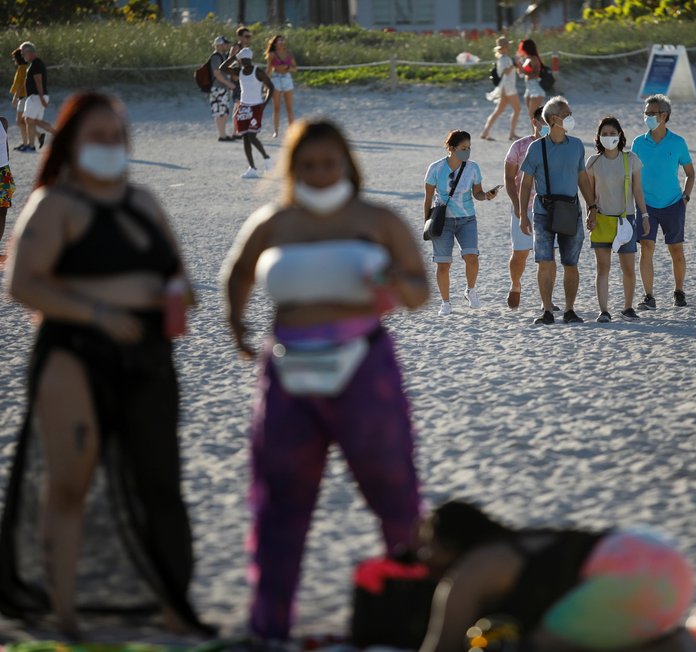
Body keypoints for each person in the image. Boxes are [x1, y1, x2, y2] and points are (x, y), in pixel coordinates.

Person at [0, 92, 210, 638]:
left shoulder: (144, 202)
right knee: (69, 487)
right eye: (97, 137)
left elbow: (183, 282)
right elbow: (23, 285)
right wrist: (99, 308)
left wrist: (172, 295)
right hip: (74, 352)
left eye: (117, 136)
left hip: (147, 356)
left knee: (160, 484)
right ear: (71, 143)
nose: (109, 146)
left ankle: (173, 610)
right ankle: (64, 617)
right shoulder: (54, 205)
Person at [222, 118, 429, 645]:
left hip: (363, 364)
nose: (318, 173)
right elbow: (237, 271)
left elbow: (419, 290)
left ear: (347, 165)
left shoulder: (377, 219)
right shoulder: (274, 221)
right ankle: (270, 626)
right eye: (307, 165)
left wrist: (391, 284)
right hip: (288, 366)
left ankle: (407, 621)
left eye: (328, 163)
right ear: (291, 169)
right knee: (280, 499)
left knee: (394, 491)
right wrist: (238, 326)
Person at [417, 501, 696, 652]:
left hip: (629, 581)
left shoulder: (469, 572)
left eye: (430, 544)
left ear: (451, 544)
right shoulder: (520, 540)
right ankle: (672, 641)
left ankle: (671, 645)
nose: (425, 555)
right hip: (666, 561)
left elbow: (442, 645)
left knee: (542, 644)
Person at [519, 96, 597, 325]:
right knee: (544, 261)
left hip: (571, 209)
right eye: (567, 115)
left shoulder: (576, 145)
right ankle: (547, 311)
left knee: (571, 263)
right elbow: (525, 183)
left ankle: (570, 310)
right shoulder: (536, 148)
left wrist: (592, 207)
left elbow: (582, 178)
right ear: (554, 119)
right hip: (543, 210)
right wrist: (524, 214)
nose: (571, 118)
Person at [423, 130, 499, 316]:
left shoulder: (473, 168)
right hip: (443, 221)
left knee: (472, 258)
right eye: (463, 148)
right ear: (451, 148)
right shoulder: (435, 168)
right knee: (443, 264)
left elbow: (477, 194)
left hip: (467, 219)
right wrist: (428, 223)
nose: (467, 151)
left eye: (469, 148)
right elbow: (427, 198)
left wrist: (487, 196)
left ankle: (470, 290)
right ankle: (446, 303)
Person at [631, 94, 695, 309]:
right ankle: (649, 296)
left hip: (673, 204)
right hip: (646, 204)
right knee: (646, 248)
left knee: (676, 250)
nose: (647, 117)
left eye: (652, 113)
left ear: (664, 115)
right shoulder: (638, 143)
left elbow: (690, 173)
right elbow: (632, 174)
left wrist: (685, 197)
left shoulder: (678, 142)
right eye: (645, 113)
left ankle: (679, 291)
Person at [585, 116, 648, 322]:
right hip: (602, 220)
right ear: (598, 137)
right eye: (604, 134)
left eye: (612, 133)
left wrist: (644, 215)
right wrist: (590, 213)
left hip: (626, 220)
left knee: (628, 268)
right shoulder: (593, 162)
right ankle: (604, 310)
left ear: (620, 135)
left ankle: (628, 307)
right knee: (603, 268)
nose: (608, 137)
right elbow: (590, 194)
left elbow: (638, 190)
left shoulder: (630, 159)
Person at [503, 106, 558, 312]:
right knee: (520, 254)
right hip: (523, 207)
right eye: (544, 122)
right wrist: (517, 206)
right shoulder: (519, 147)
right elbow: (509, 178)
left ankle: (547, 300)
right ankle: (516, 285)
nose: (548, 126)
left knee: (548, 256)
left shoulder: (557, 146)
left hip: (550, 208)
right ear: (535, 122)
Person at [219, 47, 274, 179]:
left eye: (243, 59)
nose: (243, 62)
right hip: (243, 107)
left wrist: (264, 105)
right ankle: (252, 168)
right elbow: (222, 68)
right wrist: (233, 57)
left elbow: (271, 87)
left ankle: (267, 158)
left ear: (247, 59)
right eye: (242, 60)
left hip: (255, 107)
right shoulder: (240, 71)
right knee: (245, 137)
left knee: (252, 135)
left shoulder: (258, 72)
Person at [480, 36, 521, 142]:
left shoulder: (505, 58)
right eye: (506, 45)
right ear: (503, 47)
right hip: (508, 87)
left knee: (498, 111)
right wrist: (514, 65)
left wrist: (515, 64)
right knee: (517, 109)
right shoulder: (503, 59)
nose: (508, 47)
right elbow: (505, 72)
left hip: (506, 87)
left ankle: (485, 132)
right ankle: (512, 134)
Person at [19, 42, 56, 152]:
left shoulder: (36, 64)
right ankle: (60, 135)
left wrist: (41, 98)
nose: (22, 55)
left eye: (23, 53)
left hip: (36, 97)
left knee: (29, 120)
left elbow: (38, 82)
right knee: (35, 121)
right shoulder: (35, 64)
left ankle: (30, 146)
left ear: (29, 52)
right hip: (37, 97)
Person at [264, 34, 298, 138]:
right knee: (277, 107)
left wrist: (287, 67)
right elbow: (269, 70)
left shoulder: (289, 54)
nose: (281, 42)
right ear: (275, 43)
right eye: (279, 40)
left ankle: (292, 131)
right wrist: (266, 83)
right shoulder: (272, 55)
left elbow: (295, 69)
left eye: (282, 40)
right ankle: (276, 131)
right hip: (276, 78)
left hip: (286, 78)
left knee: (289, 107)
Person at [208, 36, 236, 142]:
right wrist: (229, 84)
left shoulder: (223, 56)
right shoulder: (216, 57)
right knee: (219, 111)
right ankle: (222, 135)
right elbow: (217, 74)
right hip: (217, 88)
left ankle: (223, 134)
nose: (227, 45)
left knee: (224, 111)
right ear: (219, 45)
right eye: (225, 44)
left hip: (222, 88)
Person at [517, 39, 547, 132]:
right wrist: (519, 69)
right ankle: (537, 133)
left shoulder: (534, 58)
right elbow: (522, 74)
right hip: (529, 88)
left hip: (535, 88)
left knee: (533, 113)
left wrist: (523, 70)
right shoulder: (527, 58)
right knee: (533, 114)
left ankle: (540, 133)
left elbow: (535, 74)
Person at [9, 48, 30, 151]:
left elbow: (20, 84)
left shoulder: (22, 68)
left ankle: (27, 143)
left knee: (20, 121)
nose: (14, 60)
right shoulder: (22, 67)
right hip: (23, 97)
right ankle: (26, 143)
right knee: (22, 122)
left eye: (14, 58)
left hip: (23, 97)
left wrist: (15, 97)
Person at [0, 115, 13, 263]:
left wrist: (8, 173)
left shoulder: (3, 121)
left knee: (2, 211)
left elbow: (7, 148)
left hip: (3, 171)